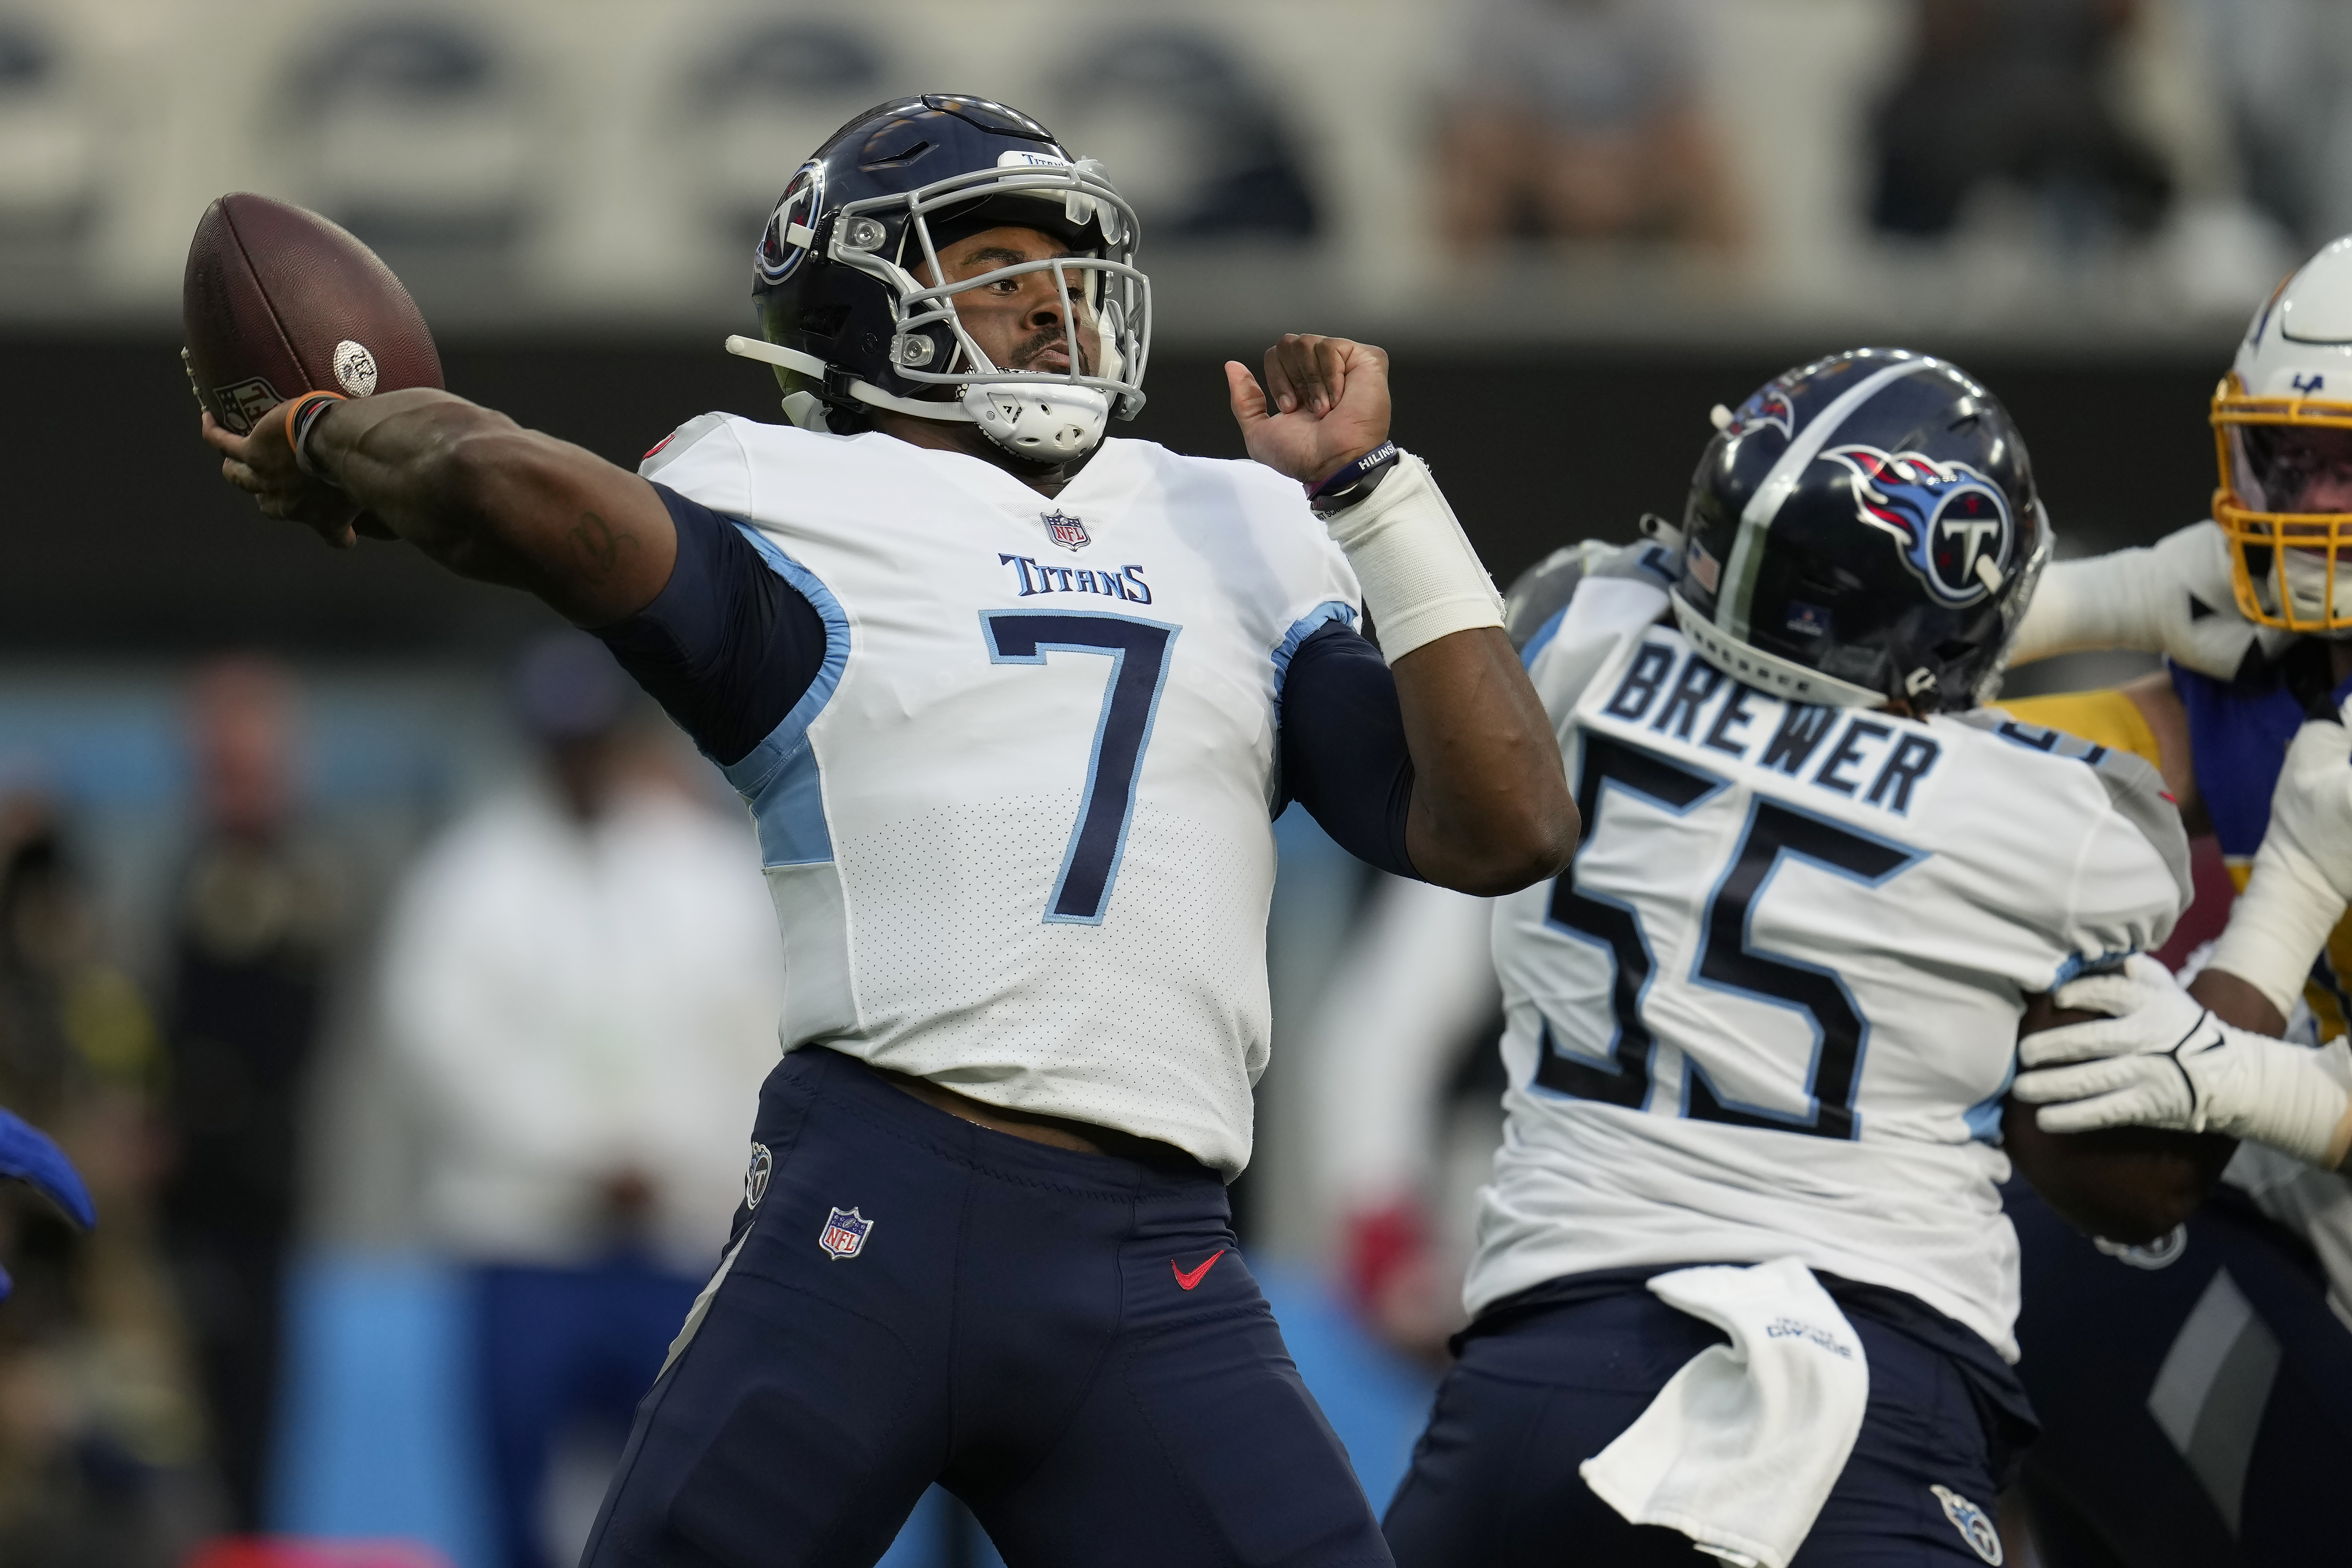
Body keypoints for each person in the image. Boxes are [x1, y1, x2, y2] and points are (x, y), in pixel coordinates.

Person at [201, 93, 1576, 1568]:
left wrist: (1376, 495)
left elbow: (1506, 825)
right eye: (994, 266)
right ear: (857, 304)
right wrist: (338, 429)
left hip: (1153, 1246)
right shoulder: (786, 492)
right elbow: (503, 487)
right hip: (876, 1205)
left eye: (1065, 268)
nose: (1050, 304)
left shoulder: (1240, 521)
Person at [1381, 348, 2204, 1567]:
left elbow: (1602, 602)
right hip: (1866, 1380)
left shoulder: (1578, 635)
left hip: (1541, 1376)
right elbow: (2169, 770)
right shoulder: (2063, 820)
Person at [1958, 236, 2352, 1565]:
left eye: (2347, 468)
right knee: (2045, 1254)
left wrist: (2246, 1078)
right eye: (2286, 459)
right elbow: (1979, 741)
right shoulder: (2256, 653)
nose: (2309, 505)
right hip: (2308, 1225)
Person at [377, 634, 785, 1568]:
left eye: (595, 738)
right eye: (562, 742)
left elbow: (759, 1035)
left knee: (689, 1506)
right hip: (526, 1239)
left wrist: (680, 1159)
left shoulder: (707, 870)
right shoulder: (469, 878)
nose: (580, 760)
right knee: (523, 1503)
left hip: (682, 1239)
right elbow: (442, 1052)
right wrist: (585, 1158)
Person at [158, 657, 343, 1534]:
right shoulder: (190, 872)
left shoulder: (295, 881)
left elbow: (267, 1050)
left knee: (243, 1437)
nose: (227, 785)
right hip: (177, 1209)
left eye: (244, 765)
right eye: (214, 765)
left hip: (247, 1203)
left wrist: (175, 1124)